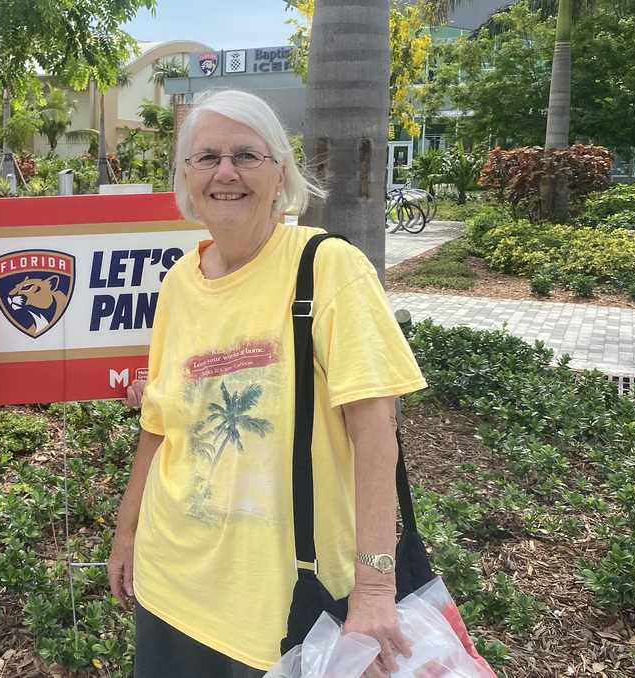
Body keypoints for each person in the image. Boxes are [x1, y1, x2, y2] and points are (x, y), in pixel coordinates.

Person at [108, 90, 428, 678]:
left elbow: (375, 432)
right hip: (169, 582)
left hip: (284, 603)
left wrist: (375, 589)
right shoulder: (178, 283)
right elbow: (159, 426)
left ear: (280, 173)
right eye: (207, 157)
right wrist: (126, 534)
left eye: (247, 156)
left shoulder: (327, 267)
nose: (225, 172)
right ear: (186, 177)